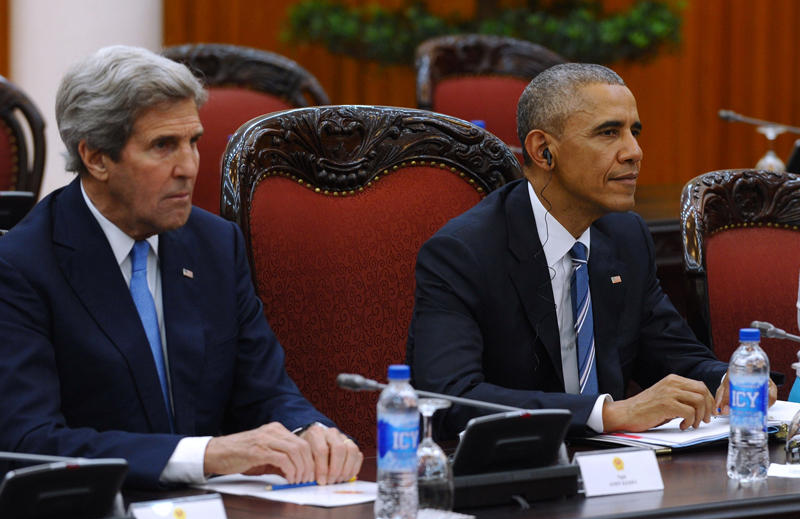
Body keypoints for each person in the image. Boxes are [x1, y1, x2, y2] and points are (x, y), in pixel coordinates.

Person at [0, 46, 362, 489]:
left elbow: (264, 390)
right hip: (99, 516)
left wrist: (307, 432)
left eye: (193, 141)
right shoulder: (21, 266)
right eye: (163, 146)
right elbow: (31, 441)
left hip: (224, 513)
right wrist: (205, 455)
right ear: (96, 158)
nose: (189, 167)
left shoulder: (215, 245)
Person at [407, 63, 776, 440]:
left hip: (621, 465)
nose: (634, 152)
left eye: (634, 132)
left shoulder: (626, 236)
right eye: (609, 133)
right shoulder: (463, 253)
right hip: (517, 465)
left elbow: (674, 356)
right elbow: (450, 397)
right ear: (543, 150)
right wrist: (607, 414)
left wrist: (730, 378)